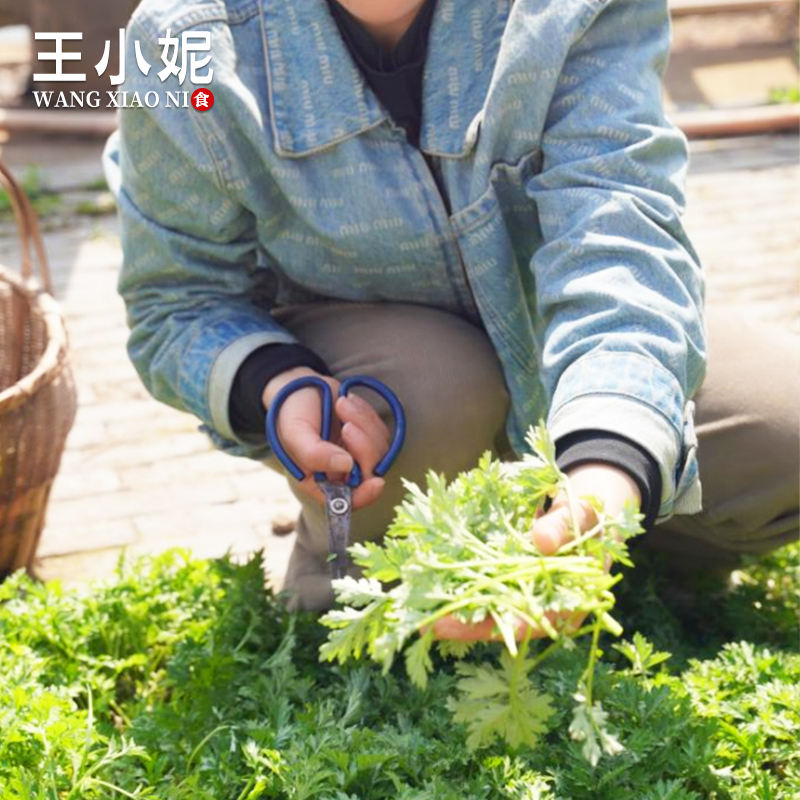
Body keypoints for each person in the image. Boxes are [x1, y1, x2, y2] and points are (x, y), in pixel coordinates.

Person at [104, 0, 799, 623]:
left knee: (783, 429)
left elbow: (619, 232)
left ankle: (600, 535)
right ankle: (346, 572)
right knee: (441, 390)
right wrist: (277, 384)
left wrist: (611, 472)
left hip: (561, 344)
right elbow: (178, 300)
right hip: (392, 383)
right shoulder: (179, 41)